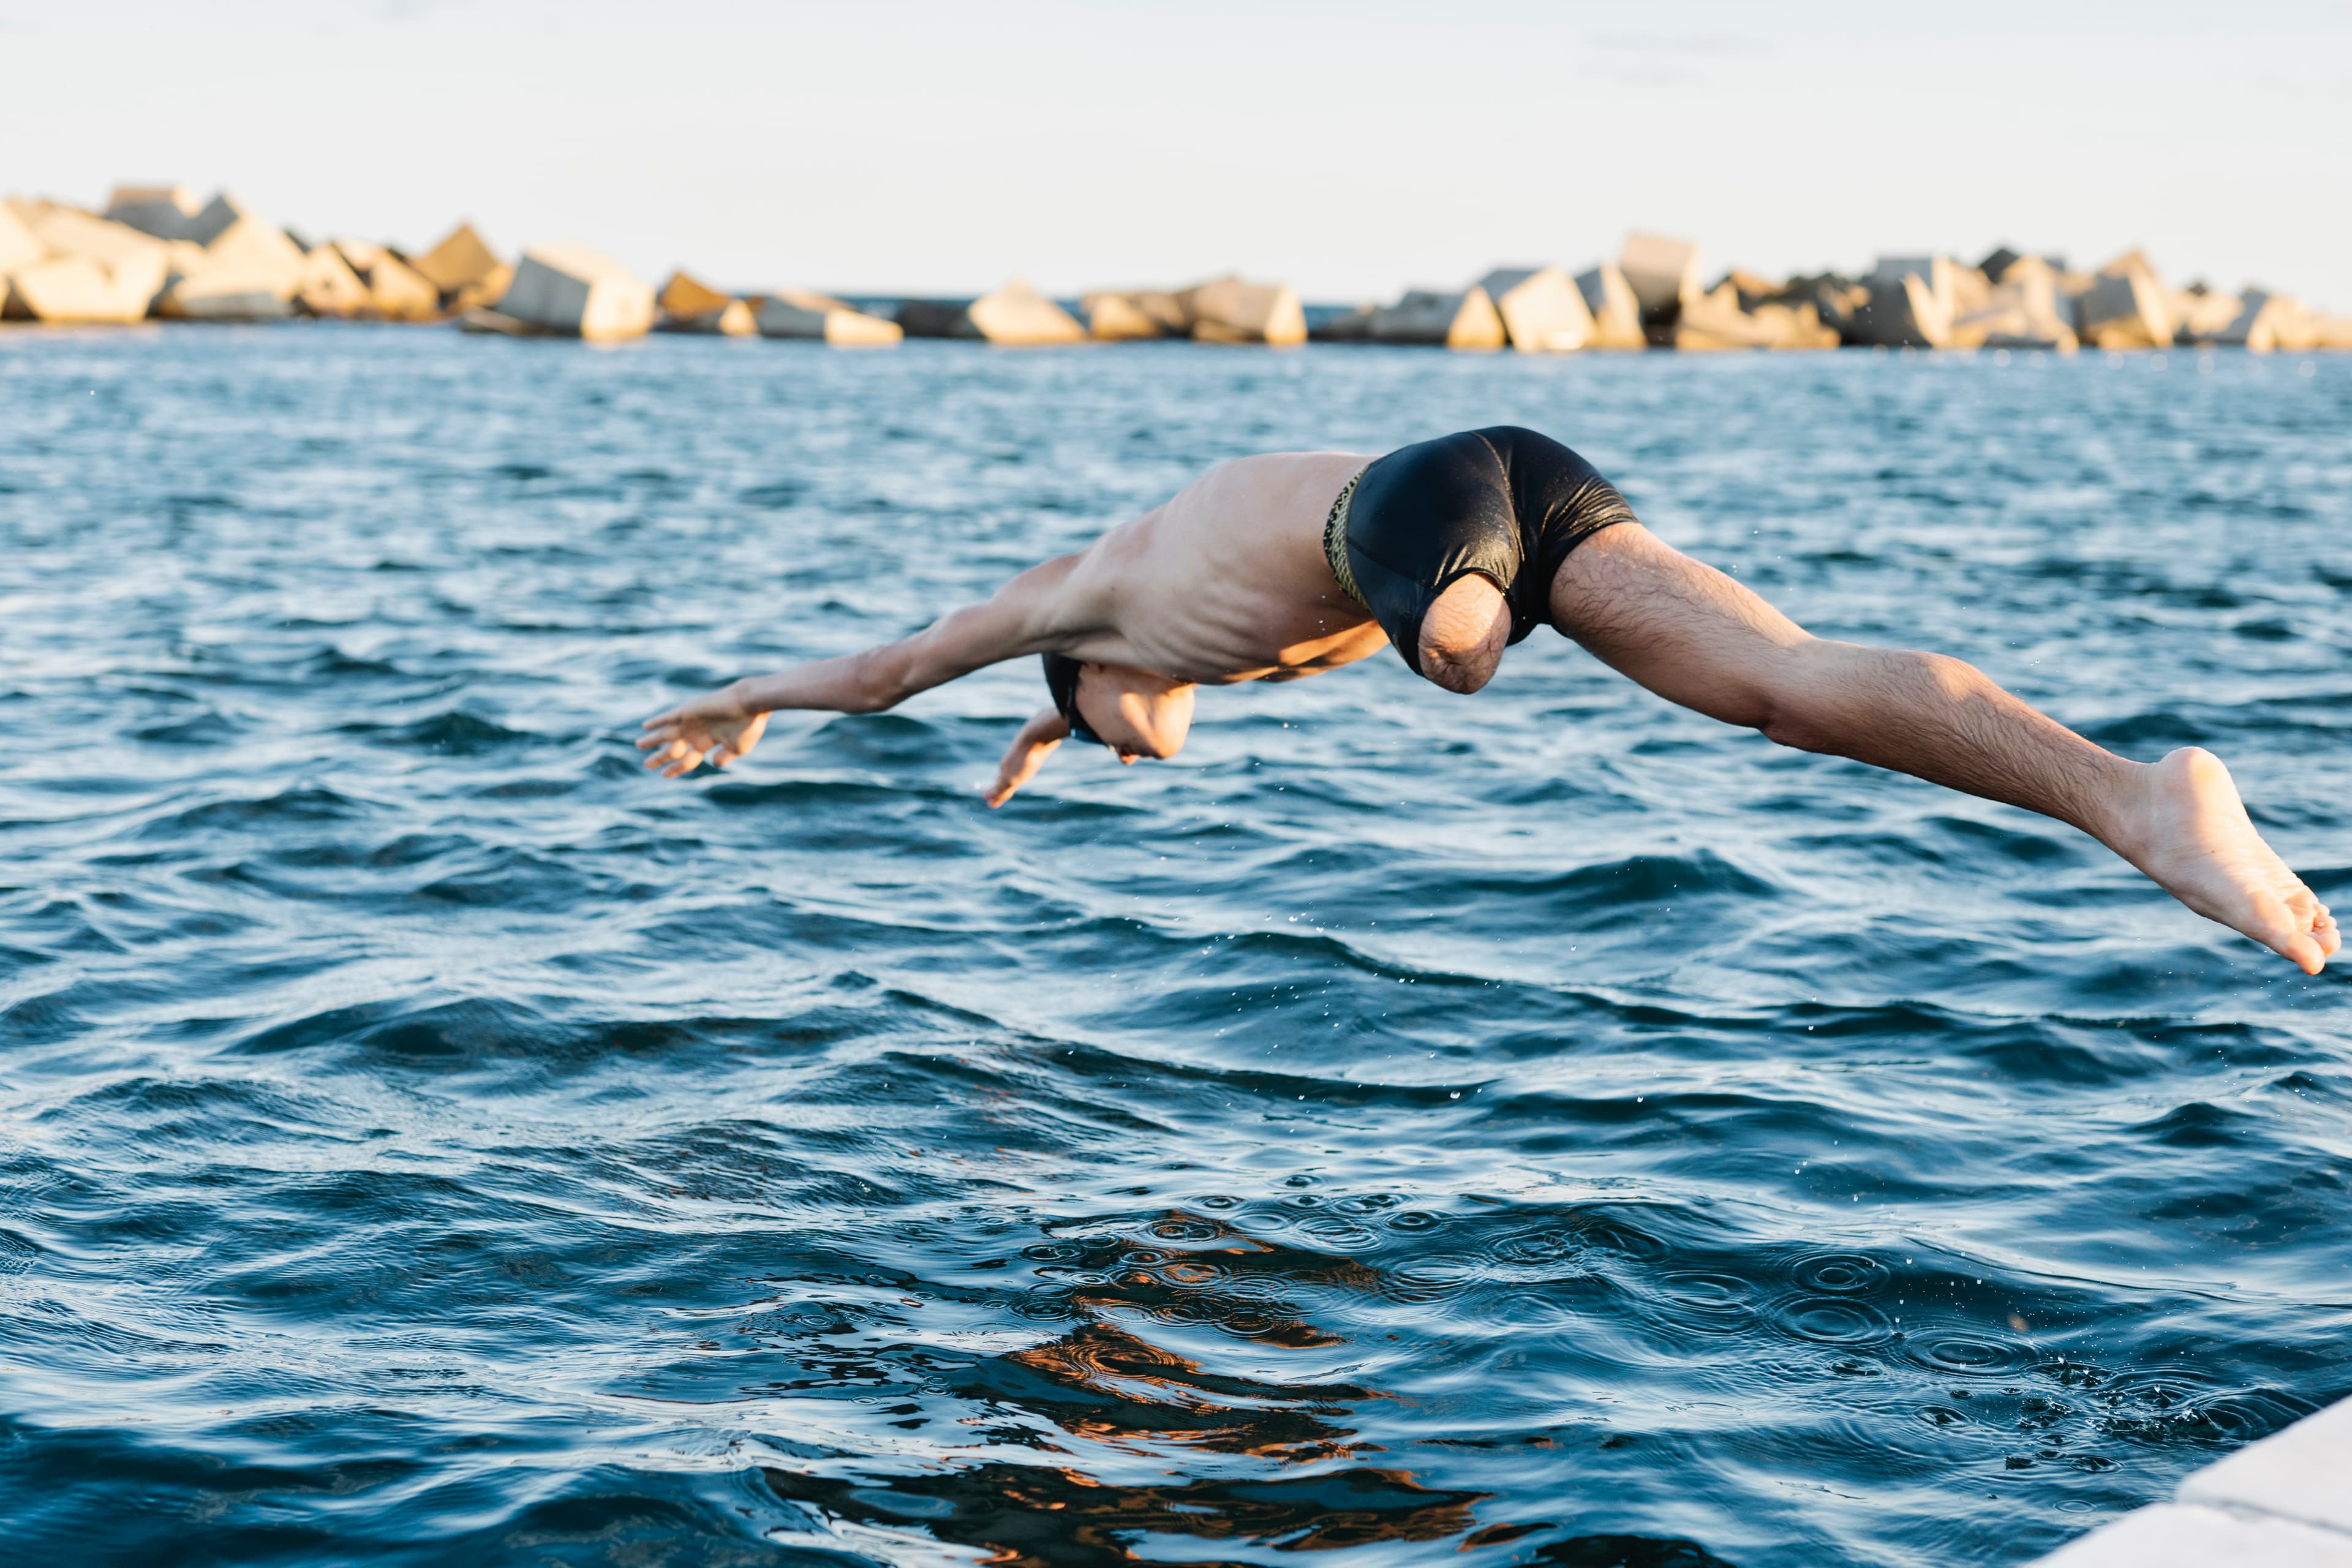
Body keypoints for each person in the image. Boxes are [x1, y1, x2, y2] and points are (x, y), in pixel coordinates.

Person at [640, 426, 2337, 974]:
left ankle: (1459, 622)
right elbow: (1104, 717)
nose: (1160, 746)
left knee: (1455, 667)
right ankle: (2133, 796)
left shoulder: (1076, 600)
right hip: (1512, 476)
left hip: (1413, 515)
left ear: (1094, 673)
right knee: (1781, 687)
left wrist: (743, 703)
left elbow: (881, 677)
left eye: (1116, 728)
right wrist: (1050, 737)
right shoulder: (1170, 652)